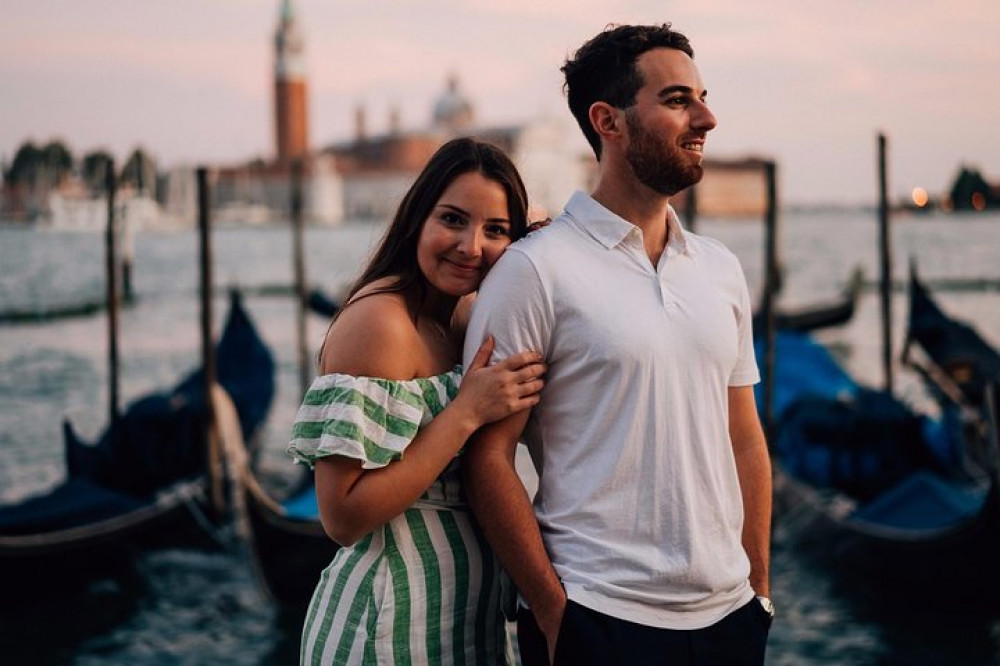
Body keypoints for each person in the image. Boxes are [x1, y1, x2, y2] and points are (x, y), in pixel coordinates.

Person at [462, 23, 773, 665]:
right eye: (678, 100)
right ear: (609, 120)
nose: (707, 118)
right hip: (600, 617)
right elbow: (488, 457)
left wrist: (759, 589)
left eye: (703, 97)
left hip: (729, 617)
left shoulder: (720, 268)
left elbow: (743, 434)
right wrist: (554, 612)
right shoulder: (534, 270)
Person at [287, 137, 547, 665]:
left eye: (495, 230)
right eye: (453, 219)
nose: (472, 246)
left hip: (464, 625)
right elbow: (342, 517)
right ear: (417, 219)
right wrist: (465, 413)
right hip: (385, 629)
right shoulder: (381, 323)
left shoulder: (464, 316)